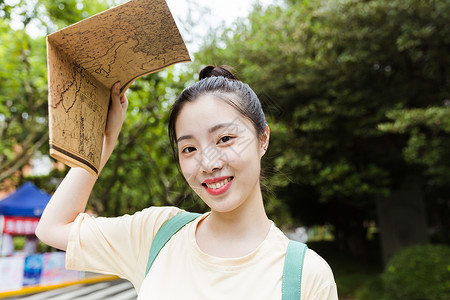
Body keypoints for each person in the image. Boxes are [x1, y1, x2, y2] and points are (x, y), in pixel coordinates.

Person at [36, 66, 338, 299]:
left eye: (225, 139)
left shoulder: (304, 275)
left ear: (263, 139)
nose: (209, 163)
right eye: (189, 148)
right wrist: (104, 140)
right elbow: (52, 227)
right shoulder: (156, 234)